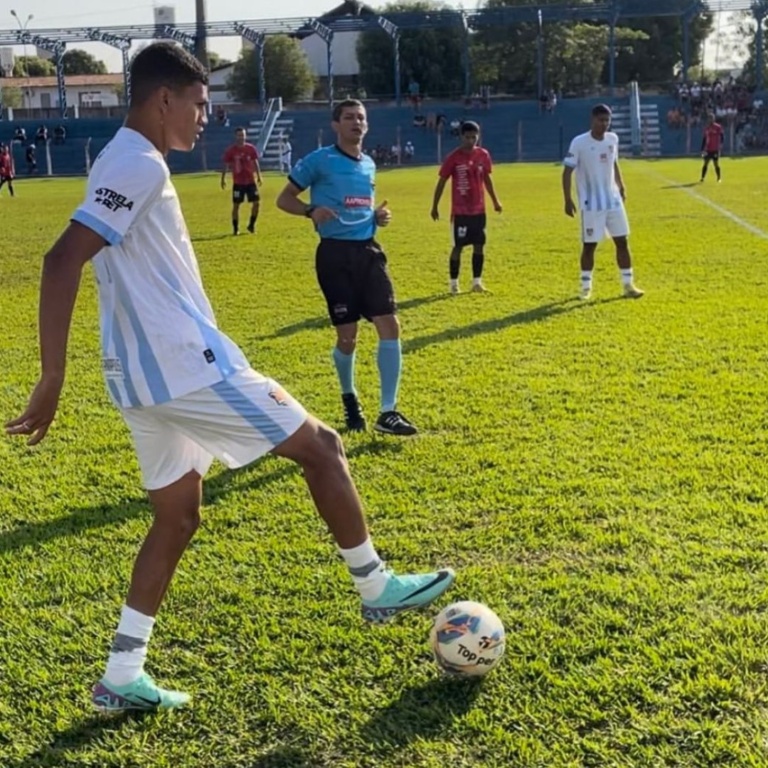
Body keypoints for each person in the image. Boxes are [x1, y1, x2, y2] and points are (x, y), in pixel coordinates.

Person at [5, 43, 454, 714]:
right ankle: (374, 586)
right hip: (181, 364)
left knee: (177, 517)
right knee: (323, 447)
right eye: (199, 104)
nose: (205, 118)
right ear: (164, 100)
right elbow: (62, 257)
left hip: (139, 378)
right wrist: (51, 375)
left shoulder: (124, 158)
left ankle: (122, 676)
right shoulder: (136, 162)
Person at [276, 99, 418, 437]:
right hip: (334, 256)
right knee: (348, 338)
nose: (357, 122)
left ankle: (388, 411)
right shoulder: (319, 161)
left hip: (369, 252)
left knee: (390, 325)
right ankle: (349, 396)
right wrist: (310, 211)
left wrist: (377, 217)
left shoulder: (369, 164)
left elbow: (361, 207)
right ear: (335, 125)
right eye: (349, 117)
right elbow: (284, 199)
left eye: (361, 117)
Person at [562, 104, 644, 301]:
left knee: (622, 241)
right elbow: (567, 171)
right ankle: (585, 288)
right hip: (591, 204)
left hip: (613, 201)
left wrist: (621, 185)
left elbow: (614, 162)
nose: (605, 124)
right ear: (593, 120)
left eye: (608, 120)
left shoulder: (612, 139)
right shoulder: (579, 142)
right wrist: (567, 199)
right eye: (601, 120)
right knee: (590, 246)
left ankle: (628, 284)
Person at [430, 121, 502, 295]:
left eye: (474, 137)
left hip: (479, 210)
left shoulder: (483, 155)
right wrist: (435, 206)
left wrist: (495, 200)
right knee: (458, 247)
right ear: (460, 137)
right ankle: (454, 284)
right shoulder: (453, 158)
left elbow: (487, 179)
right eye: (467, 137)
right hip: (460, 212)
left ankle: (477, 282)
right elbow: (442, 181)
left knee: (479, 245)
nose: (471, 141)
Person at [221, 127, 262, 235]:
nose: (241, 137)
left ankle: (251, 225)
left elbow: (255, 162)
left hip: (250, 182)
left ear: (245, 136)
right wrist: (223, 179)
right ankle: (235, 228)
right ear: (236, 136)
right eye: (239, 135)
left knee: (256, 203)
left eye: (243, 135)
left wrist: (259, 176)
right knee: (236, 205)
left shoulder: (251, 149)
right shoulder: (231, 151)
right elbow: (226, 165)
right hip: (238, 183)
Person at [700, 113, 724, 183]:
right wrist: (702, 149)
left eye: (711, 118)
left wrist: (721, 144)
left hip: (715, 149)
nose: (710, 119)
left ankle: (719, 178)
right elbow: (704, 139)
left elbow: (722, 135)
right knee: (705, 163)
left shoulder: (718, 127)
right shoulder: (706, 128)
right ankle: (702, 177)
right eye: (709, 118)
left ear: (714, 119)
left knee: (716, 163)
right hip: (708, 149)